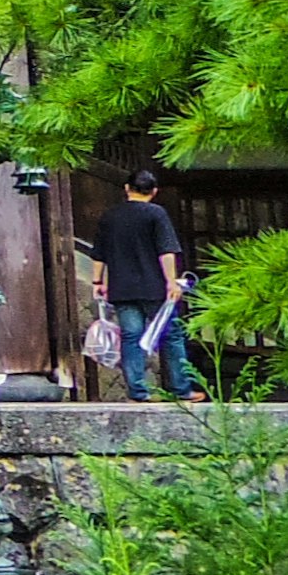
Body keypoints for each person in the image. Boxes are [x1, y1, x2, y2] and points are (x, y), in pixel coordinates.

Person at [91, 165, 204, 401]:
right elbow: (166, 251)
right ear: (154, 191)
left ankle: (138, 391)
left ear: (126, 189)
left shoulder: (110, 216)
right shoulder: (156, 214)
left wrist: (97, 281)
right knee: (171, 335)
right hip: (154, 288)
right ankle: (181, 389)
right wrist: (171, 282)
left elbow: (99, 253)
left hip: (122, 288)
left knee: (131, 337)